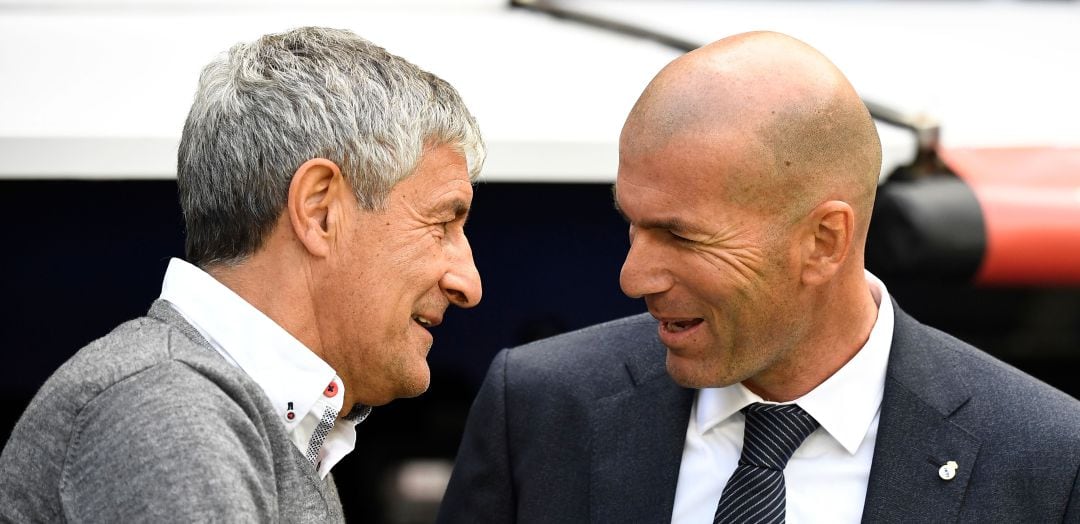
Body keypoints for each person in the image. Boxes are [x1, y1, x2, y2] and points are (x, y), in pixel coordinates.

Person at [437, 31, 1080, 523]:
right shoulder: (539, 408)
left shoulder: (1046, 459)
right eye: (631, 225)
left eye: (681, 235)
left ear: (824, 241)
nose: (633, 277)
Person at [0, 26, 484, 522]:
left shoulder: (240, 416)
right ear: (320, 212)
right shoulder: (170, 414)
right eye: (443, 221)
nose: (469, 283)